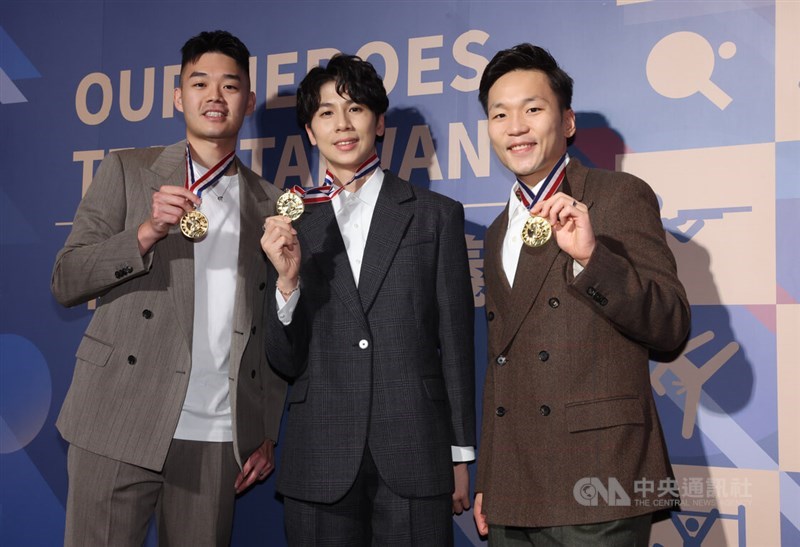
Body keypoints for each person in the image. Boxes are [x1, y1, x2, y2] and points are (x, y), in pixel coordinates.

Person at [51, 30, 287, 546]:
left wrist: (264, 429)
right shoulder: (128, 171)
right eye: (199, 83)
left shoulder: (268, 202)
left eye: (230, 85)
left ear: (247, 100)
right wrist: (144, 234)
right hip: (118, 415)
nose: (214, 96)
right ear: (178, 96)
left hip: (216, 435)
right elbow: (66, 279)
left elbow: (270, 328)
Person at [472, 43, 690, 545]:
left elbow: (671, 324)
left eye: (533, 109)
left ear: (567, 121)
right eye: (499, 113)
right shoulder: (496, 229)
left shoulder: (618, 195)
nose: (516, 126)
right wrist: (490, 479)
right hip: (515, 486)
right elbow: (501, 364)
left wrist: (593, 259)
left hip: (599, 476)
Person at [260, 54, 476, 546]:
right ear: (310, 132)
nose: (343, 124)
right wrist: (287, 285)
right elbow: (282, 359)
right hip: (319, 454)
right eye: (326, 112)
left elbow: (456, 345)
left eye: (355, 109)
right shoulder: (287, 224)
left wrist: (461, 455)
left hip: (415, 450)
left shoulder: (434, 216)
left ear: (378, 122)